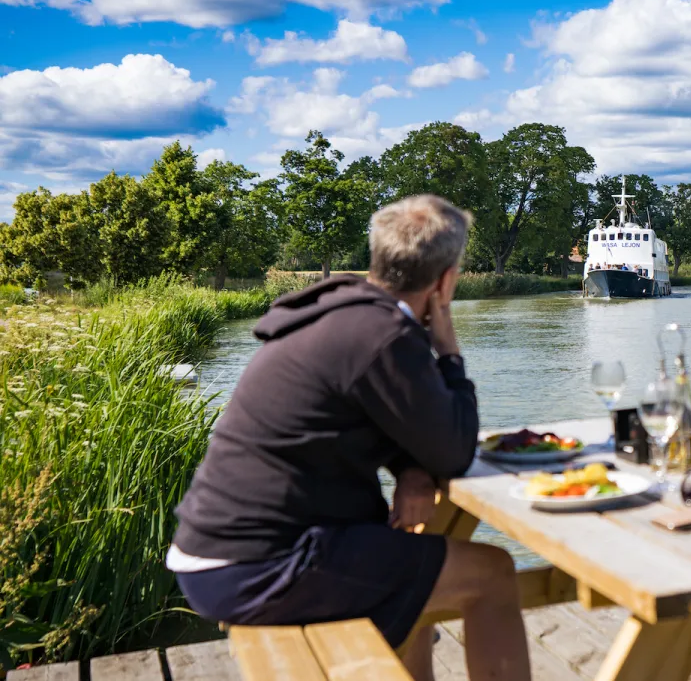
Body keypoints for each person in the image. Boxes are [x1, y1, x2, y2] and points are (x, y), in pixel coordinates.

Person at [168, 195, 529, 681]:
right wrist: (449, 351)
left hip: (220, 553)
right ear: (445, 281)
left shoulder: (341, 311)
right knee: (492, 575)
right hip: (259, 567)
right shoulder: (384, 334)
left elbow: (389, 423)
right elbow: (456, 452)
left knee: (419, 588)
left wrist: (412, 470)